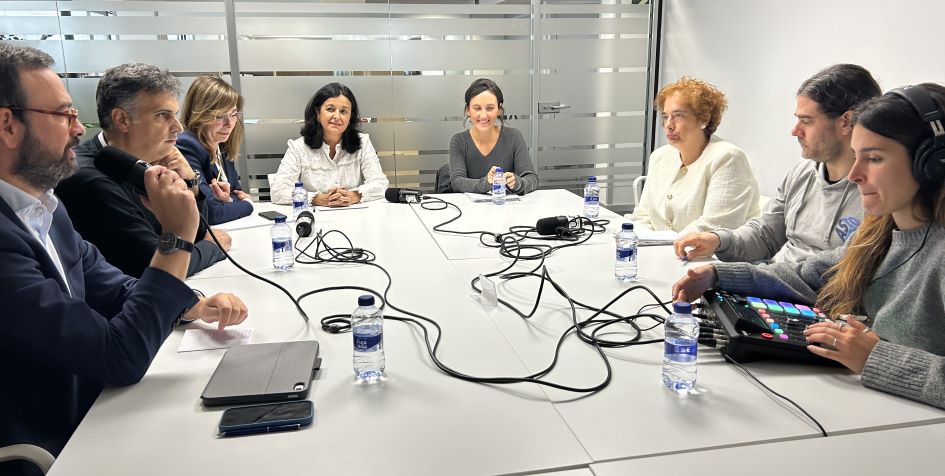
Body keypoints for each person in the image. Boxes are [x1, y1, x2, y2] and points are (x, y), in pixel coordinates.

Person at [0, 43, 248, 476]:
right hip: (59, 445)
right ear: (7, 125)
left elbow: (114, 287)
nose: (78, 130)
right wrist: (176, 239)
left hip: (101, 413)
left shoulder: (45, 209)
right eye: (64, 115)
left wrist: (190, 305)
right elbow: (120, 357)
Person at [672, 83, 945, 409]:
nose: (855, 174)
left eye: (873, 158)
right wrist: (718, 275)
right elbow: (809, 276)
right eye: (857, 156)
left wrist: (876, 357)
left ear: (933, 164)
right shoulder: (879, 233)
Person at [674, 65, 879, 263]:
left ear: (846, 122)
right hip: (773, 280)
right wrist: (719, 240)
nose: (795, 131)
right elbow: (765, 235)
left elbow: (838, 273)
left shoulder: (878, 194)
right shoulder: (802, 172)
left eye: (807, 121)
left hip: (799, 285)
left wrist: (744, 277)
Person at [56, 63, 230, 278]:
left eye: (175, 115)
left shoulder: (146, 162)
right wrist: (213, 247)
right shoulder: (88, 179)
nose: (178, 127)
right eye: (162, 115)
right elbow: (153, 263)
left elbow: (195, 234)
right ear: (122, 120)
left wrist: (190, 183)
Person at [627, 77, 761, 234]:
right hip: (660, 248)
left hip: (711, 250)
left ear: (704, 119)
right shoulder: (660, 157)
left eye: (678, 115)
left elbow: (714, 228)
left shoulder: (728, 158)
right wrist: (637, 239)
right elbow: (643, 215)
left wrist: (662, 244)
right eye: (665, 116)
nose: (669, 125)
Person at [270, 82, 388, 207]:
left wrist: (353, 196)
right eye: (330, 109)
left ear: (350, 117)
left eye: (343, 111)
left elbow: (380, 183)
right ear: (318, 113)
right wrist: (318, 199)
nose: (337, 116)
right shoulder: (298, 147)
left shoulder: (363, 142)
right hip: (315, 215)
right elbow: (278, 191)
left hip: (354, 213)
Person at [178, 75, 253, 225]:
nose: (229, 124)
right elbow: (211, 213)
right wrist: (248, 204)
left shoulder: (221, 145)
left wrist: (229, 200)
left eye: (233, 114)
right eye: (219, 116)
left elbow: (237, 192)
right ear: (199, 114)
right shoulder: (187, 145)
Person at [449, 78, 539, 195]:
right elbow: (457, 182)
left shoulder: (514, 137)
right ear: (468, 110)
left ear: (499, 110)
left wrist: (518, 183)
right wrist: (486, 183)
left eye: (490, 108)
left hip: (506, 205)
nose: (483, 115)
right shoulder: (458, 141)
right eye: (477, 108)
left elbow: (532, 179)